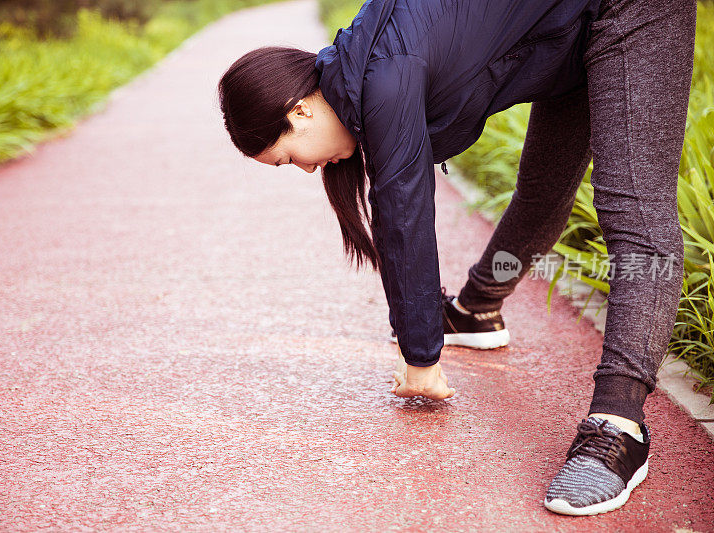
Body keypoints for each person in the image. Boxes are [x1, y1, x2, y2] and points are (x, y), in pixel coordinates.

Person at [217, 0, 696, 516]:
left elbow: (404, 215)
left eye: (290, 157)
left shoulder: (383, 74)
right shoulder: (361, 68)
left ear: (300, 110)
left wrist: (420, 359)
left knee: (633, 210)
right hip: (569, 34)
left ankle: (618, 421)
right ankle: (477, 307)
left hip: (630, 11)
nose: (308, 171)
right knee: (542, 193)